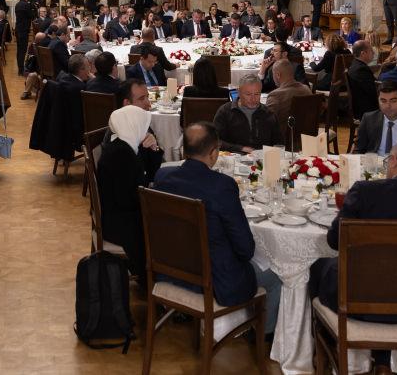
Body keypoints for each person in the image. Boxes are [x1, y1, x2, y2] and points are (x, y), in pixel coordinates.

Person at [310, 141, 397, 373]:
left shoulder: (365, 192)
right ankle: (382, 362)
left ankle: (325, 353)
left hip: (356, 300)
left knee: (318, 267)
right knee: (391, 277)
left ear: (394, 161)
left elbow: (335, 241)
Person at [155, 121, 282, 328]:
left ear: (184, 150)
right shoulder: (222, 186)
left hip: (171, 270)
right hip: (214, 281)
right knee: (277, 276)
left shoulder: (162, 177)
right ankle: (264, 336)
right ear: (214, 153)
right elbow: (245, 249)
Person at [96, 105, 160, 278]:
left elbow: (152, 172)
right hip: (120, 223)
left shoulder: (125, 146)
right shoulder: (121, 155)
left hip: (120, 214)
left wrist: (153, 148)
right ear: (133, 125)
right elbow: (129, 199)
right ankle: (154, 277)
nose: (145, 130)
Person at [213, 78, 281, 152]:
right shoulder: (225, 111)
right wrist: (240, 149)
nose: (253, 99)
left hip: (262, 157)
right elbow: (215, 141)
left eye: (257, 94)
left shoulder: (268, 113)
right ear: (238, 92)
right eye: (248, 94)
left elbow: (279, 143)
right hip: (233, 156)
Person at [263, 59, 313, 133]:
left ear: (278, 75)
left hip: (282, 137)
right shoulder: (306, 89)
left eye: (272, 74)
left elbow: (267, 124)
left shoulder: (275, 95)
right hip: (306, 136)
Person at [346, 40, 379, 119]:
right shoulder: (361, 69)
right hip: (365, 109)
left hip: (361, 105)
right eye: (371, 51)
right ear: (363, 53)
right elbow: (373, 91)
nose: (373, 53)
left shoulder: (356, 64)